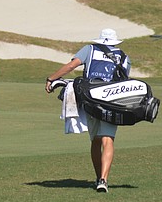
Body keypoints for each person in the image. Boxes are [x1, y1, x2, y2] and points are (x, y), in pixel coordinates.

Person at [44, 28, 131, 193]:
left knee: (96, 141)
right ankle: (104, 180)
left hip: (91, 100)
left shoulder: (89, 49)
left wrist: (52, 78)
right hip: (111, 102)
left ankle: (98, 178)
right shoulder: (124, 57)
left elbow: (72, 65)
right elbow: (123, 82)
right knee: (108, 140)